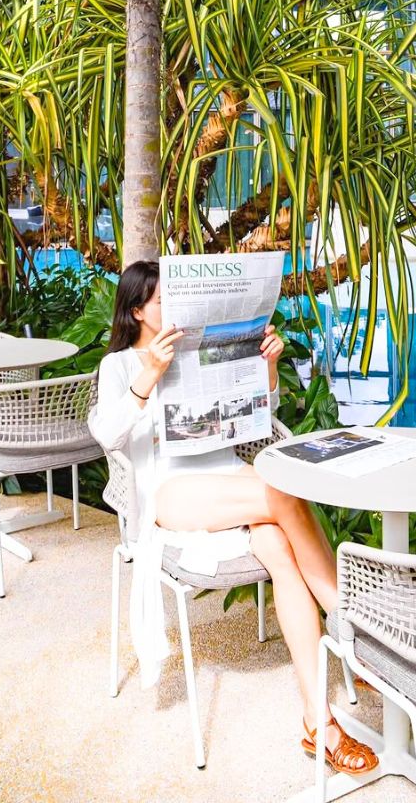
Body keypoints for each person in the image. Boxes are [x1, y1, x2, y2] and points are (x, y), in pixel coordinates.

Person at [90, 259, 378, 777]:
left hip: (227, 481)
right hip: (168, 497)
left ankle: (319, 723)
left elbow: (254, 415)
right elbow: (105, 436)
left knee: (279, 546)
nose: (171, 309)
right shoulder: (118, 366)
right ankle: (357, 627)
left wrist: (264, 366)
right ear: (137, 310)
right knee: (283, 494)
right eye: (161, 302)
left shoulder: (201, 351)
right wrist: (149, 377)